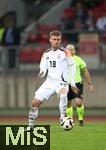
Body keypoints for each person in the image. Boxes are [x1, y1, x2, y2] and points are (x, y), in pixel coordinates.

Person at [27, 30, 79, 130]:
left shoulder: (66, 52)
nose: (56, 41)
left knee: (63, 94)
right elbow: (43, 68)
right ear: (50, 40)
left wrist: (72, 83)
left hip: (62, 83)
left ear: (61, 39)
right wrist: (41, 73)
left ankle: (62, 118)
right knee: (34, 103)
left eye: (58, 39)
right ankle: (31, 125)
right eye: (54, 39)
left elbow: (73, 67)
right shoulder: (46, 54)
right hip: (49, 82)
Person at [66, 44, 94, 126]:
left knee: (78, 102)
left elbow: (85, 71)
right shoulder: (63, 60)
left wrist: (90, 84)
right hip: (67, 84)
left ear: (74, 50)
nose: (70, 50)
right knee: (68, 104)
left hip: (77, 83)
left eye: (72, 49)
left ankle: (81, 119)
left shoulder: (78, 60)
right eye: (68, 49)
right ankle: (70, 120)